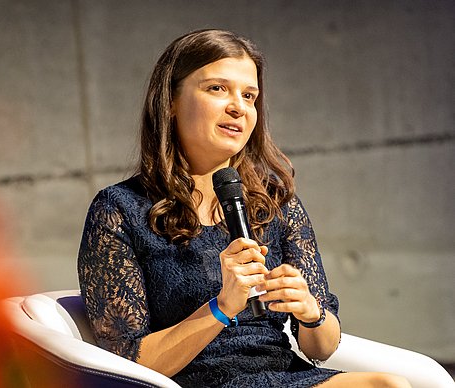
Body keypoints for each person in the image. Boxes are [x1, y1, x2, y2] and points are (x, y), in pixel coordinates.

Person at [77, 29, 410, 387]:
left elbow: (322, 348)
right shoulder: (120, 210)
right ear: (170, 101)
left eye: (249, 95)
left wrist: (310, 312)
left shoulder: (274, 204)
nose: (238, 106)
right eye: (217, 89)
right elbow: (125, 362)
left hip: (284, 375)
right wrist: (222, 306)